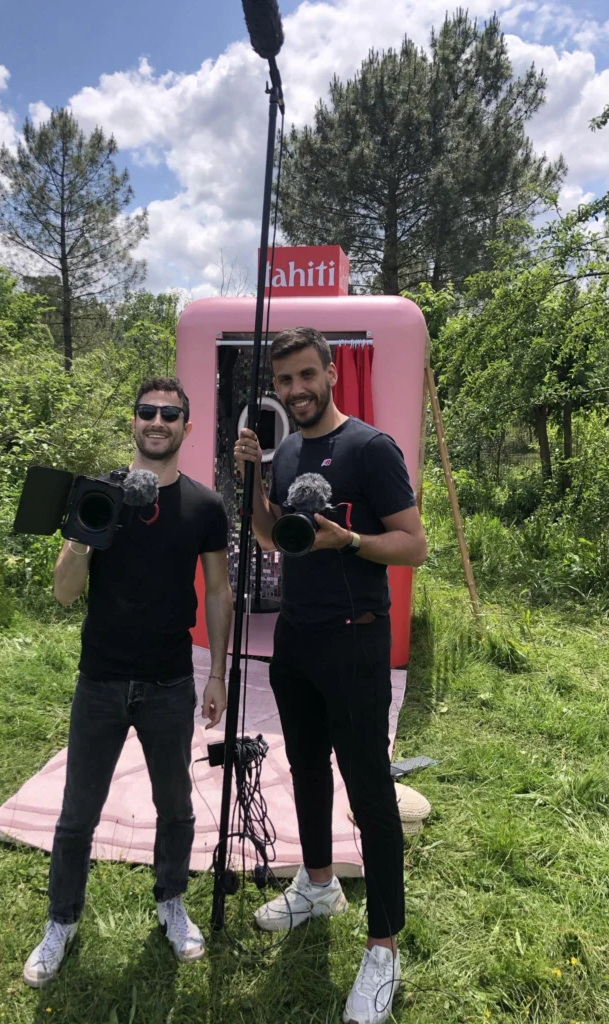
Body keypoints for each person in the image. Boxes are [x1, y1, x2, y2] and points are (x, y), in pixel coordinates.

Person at [234, 328, 427, 1024]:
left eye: (306, 376)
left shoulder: (370, 449)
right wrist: (256, 478)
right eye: (284, 381)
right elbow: (267, 538)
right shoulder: (285, 449)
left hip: (355, 639)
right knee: (306, 768)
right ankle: (318, 885)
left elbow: (414, 544)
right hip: (297, 638)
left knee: (368, 788)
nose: (296, 390)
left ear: (331, 372)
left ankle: (383, 949)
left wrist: (349, 539)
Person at [24, 376, 233, 988]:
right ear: (134, 421)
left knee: (176, 807)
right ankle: (61, 920)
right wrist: (87, 537)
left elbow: (218, 591)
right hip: (101, 681)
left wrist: (217, 671)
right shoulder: (99, 493)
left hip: (170, 681)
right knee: (76, 813)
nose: (158, 421)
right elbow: (65, 594)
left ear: (187, 428)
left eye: (171, 413)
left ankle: (171, 901)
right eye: (148, 412)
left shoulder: (204, 506)